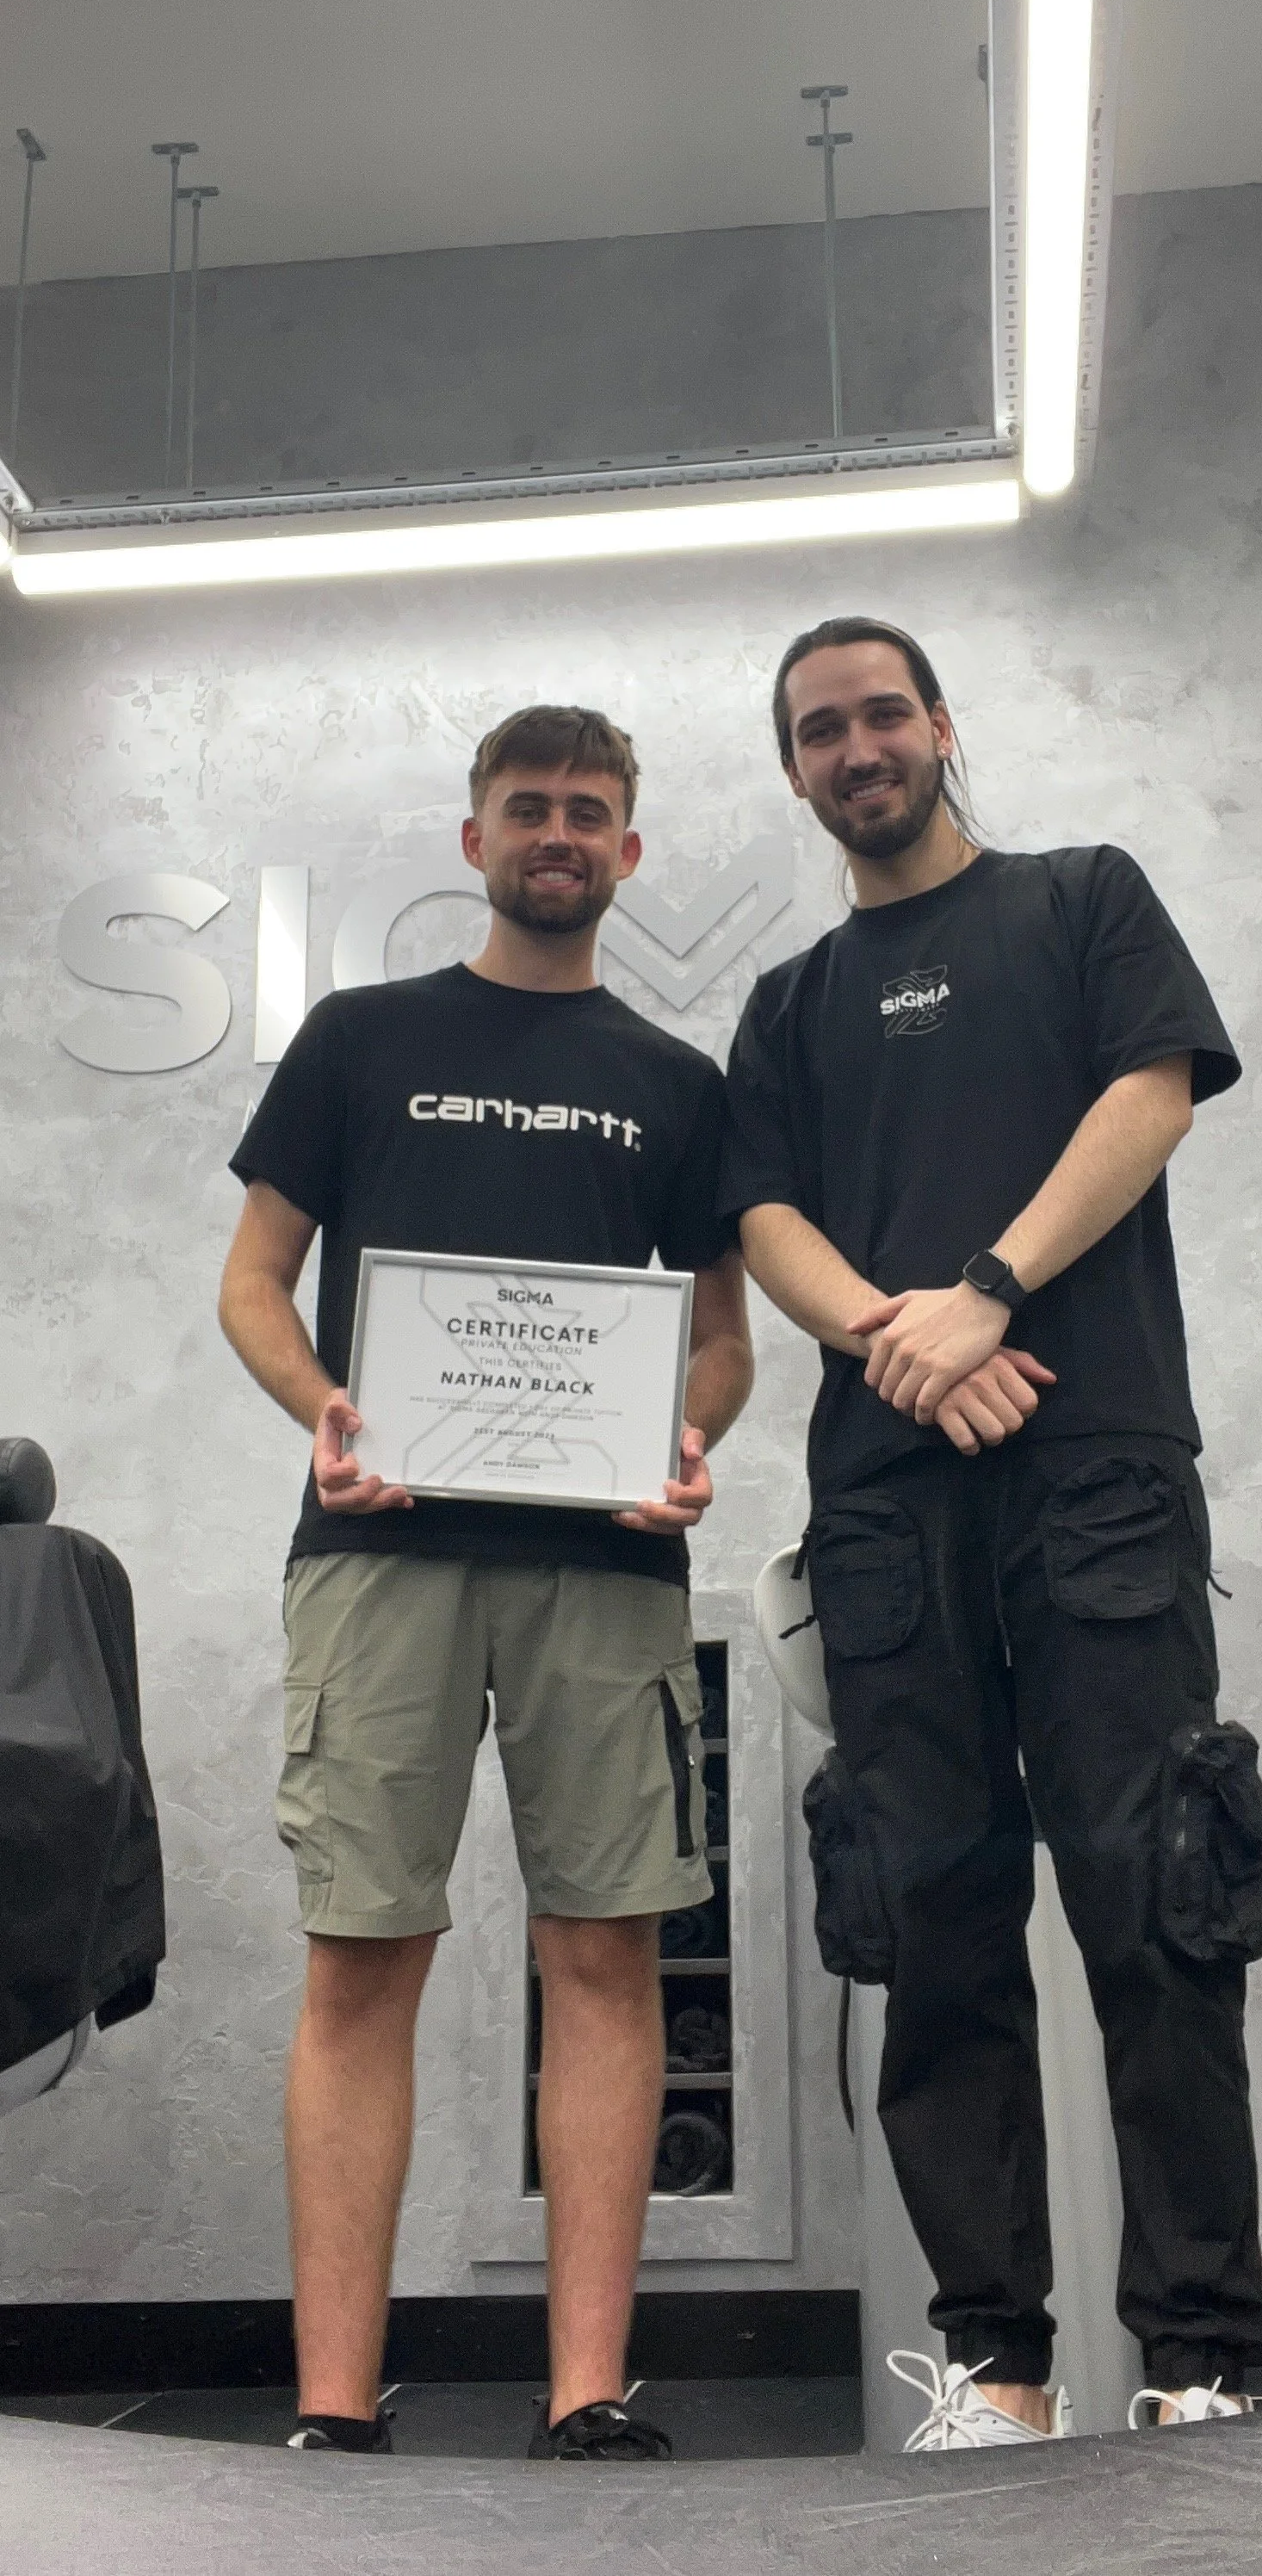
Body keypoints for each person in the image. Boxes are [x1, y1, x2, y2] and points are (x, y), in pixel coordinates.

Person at [721, 616, 1262, 2452]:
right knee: (937, 1924)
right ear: (795, 769)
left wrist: (985, 1287)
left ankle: (1193, 2362)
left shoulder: (1080, 900)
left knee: (1154, 1899)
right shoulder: (789, 1000)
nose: (857, 746)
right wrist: (905, 1340)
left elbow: (1151, 1098)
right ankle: (999, 2371)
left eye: (883, 712)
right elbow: (763, 1219)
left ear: (940, 727)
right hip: (889, 1495)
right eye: (821, 729)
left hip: (1096, 1463)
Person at [220, 704, 752, 2461]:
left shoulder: (680, 1085)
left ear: (628, 854)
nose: (559, 830)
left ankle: (586, 2390)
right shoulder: (358, 1040)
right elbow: (253, 1286)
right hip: (378, 1553)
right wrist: (325, 1414)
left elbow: (725, 1341)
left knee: (608, 1954)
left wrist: (683, 1445)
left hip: (603, 1567)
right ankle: (329, 2407)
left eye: (590, 811)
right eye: (529, 805)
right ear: (474, 839)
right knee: (360, 1955)